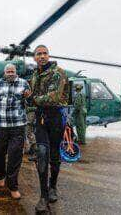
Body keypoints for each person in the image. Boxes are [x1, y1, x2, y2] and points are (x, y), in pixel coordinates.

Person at [29, 45, 70, 212]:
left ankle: (53, 186)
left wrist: (32, 99)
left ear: (49, 55)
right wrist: (30, 99)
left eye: (44, 53)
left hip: (55, 117)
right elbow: (31, 96)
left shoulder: (58, 72)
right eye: (39, 54)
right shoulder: (34, 74)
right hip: (41, 118)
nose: (42, 56)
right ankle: (43, 196)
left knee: (54, 154)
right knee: (42, 153)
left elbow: (53, 97)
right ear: (34, 57)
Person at [0, 63, 31, 199]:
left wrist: (28, 97)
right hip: (0, 125)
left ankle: (13, 186)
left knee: (15, 156)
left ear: (16, 72)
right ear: (4, 72)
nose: (11, 73)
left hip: (18, 126)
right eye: (8, 71)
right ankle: (0, 176)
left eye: (12, 71)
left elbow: (29, 102)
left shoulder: (24, 83)